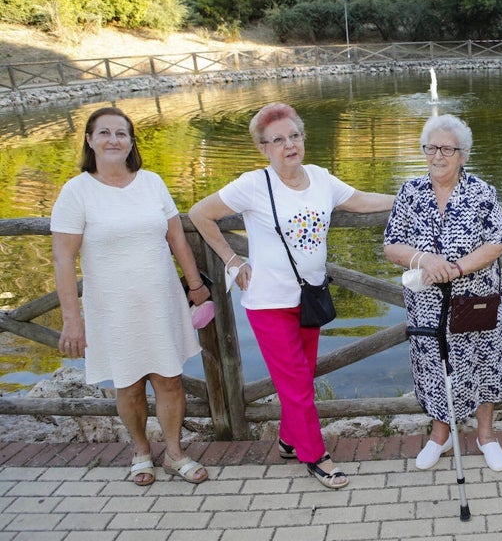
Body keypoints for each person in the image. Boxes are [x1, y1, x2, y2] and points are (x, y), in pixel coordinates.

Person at [188, 103, 394, 489]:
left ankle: (288, 439)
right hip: (269, 302)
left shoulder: (320, 178)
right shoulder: (253, 184)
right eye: (278, 140)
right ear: (264, 148)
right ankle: (315, 455)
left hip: (309, 297)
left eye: (294, 136)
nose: (289, 145)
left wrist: (405, 197)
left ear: (303, 138)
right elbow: (200, 213)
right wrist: (232, 259)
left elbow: (361, 200)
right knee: (297, 382)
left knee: (299, 377)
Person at [51, 107, 211, 486]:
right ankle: (141, 451)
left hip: (161, 299)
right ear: (89, 140)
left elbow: (176, 237)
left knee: (170, 379)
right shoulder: (77, 191)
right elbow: (63, 257)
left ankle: (174, 453)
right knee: (129, 383)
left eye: (121, 133)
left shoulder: (152, 182)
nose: (113, 140)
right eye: (103, 132)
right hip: (112, 306)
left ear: (131, 141)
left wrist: (195, 286)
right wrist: (73, 319)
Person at [383, 114, 502, 472]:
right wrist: (425, 259)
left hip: (476, 298)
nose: (438, 155)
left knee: (484, 361)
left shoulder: (482, 192)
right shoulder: (410, 192)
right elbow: (392, 246)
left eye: (447, 149)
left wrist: (454, 268)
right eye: (431, 148)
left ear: (463, 154)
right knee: (434, 369)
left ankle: (486, 435)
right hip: (426, 305)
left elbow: (497, 242)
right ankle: (441, 435)